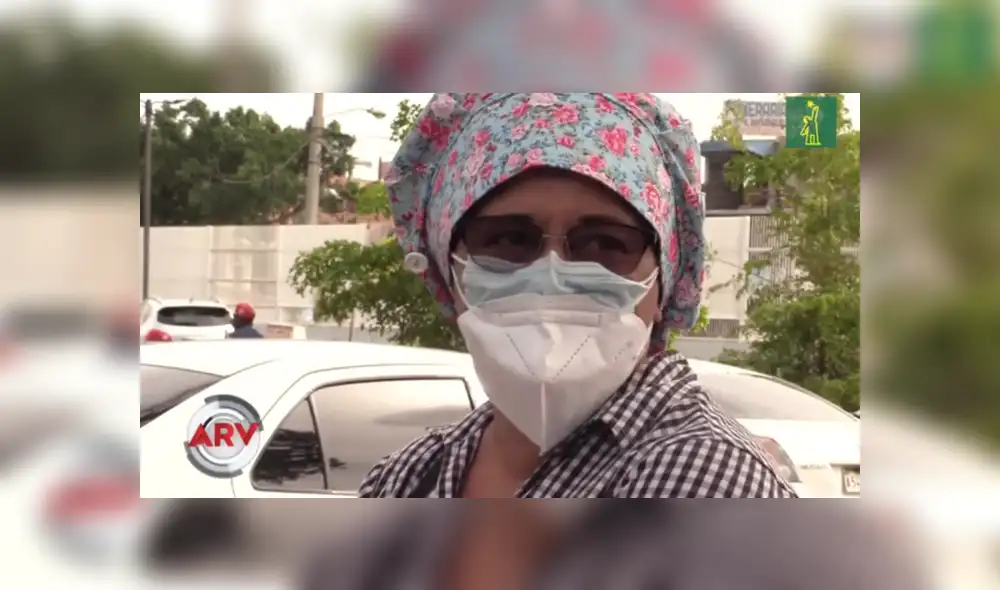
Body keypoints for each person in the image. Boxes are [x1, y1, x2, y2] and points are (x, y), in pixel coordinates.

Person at [363, 93, 795, 498]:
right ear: (445, 268)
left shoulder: (708, 480)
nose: (552, 273)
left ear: (666, 276)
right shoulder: (410, 476)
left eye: (604, 243)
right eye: (509, 239)